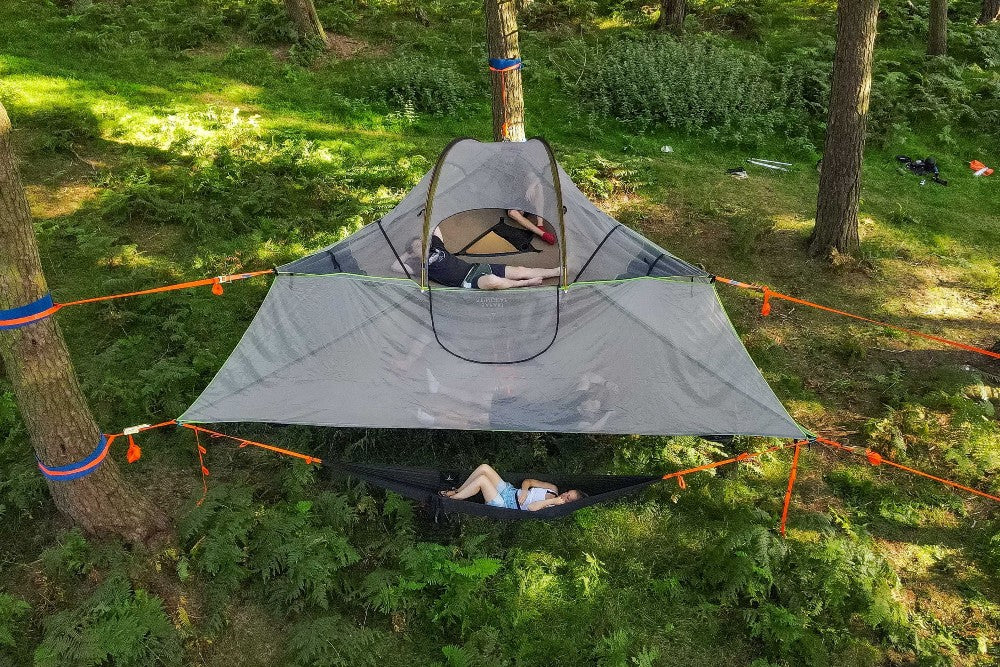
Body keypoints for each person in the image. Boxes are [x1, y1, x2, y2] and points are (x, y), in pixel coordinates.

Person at [394, 227, 560, 289]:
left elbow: (436, 228)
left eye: (421, 243)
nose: (421, 246)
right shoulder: (420, 267)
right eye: (416, 247)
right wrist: (408, 252)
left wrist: (427, 214)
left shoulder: (437, 247)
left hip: (475, 267)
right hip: (467, 281)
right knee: (492, 281)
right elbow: (395, 266)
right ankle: (525, 283)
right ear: (412, 252)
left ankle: (557, 271)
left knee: (520, 270)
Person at [439, 464, 585, 511]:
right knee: (484, 468)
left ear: (568, 504)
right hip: (509, 491)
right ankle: (457, 491)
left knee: (482, 480)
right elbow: (528, 481)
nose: (564, 495)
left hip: (505, 505)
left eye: (567, 498)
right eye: (567, 492)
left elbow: (531, 508)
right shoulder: (552, 488)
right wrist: (524, 490)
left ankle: (452, 499)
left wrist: (552, 502)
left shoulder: (552, 508)